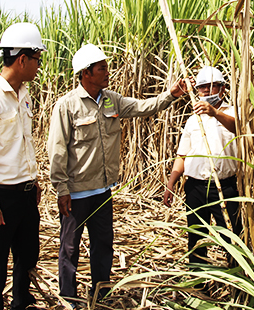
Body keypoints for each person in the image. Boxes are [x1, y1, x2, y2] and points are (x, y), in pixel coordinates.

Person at [48, 44, 191, 304]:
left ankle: (101, 293)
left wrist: (171, 94)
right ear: (86, 73)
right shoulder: (67, 106)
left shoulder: (112, 100)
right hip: (77, 193)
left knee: (103, 245)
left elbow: (143, 107)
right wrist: (61, 189)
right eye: (101, 68)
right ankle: (69, 298)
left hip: (103, 191)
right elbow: (57, 150)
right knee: (69, 247)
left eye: (106, 67)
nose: (107, 72)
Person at [0, 22, 46, 310]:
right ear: (22, 59)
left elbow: (23, 142)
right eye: (37, 59)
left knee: (27, 258)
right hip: (1, 198)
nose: (39, 65)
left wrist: (33, 181)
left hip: (25, 194)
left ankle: (21, 304)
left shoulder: (24, 94)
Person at [163, 66, 241, 265]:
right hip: (196, 187)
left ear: (222, 89)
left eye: (211, 87)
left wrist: (215, 113)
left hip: (225, 187)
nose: (206, 92)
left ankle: (237, 282)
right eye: (202, 88)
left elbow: (239, 129)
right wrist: (171, 184)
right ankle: (198, 283)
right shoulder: (192, 120)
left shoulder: (233, 112)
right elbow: (182, 156)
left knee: (232, 235)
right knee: (196, 237)